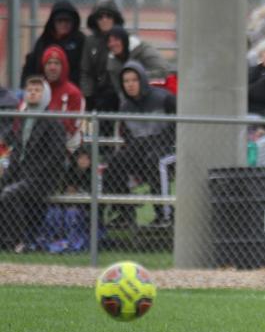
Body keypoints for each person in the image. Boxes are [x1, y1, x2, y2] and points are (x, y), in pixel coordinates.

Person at [103, 61, 176, 228]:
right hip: (144, 151)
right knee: (116, 162)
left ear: (142, 79)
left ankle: (166, 216)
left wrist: (157, 142)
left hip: (171, 149)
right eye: (126, 81)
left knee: (156, 160)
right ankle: (124, 213)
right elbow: (129, 139)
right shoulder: (126, 108)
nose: (130, 84)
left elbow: (178, 128)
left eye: (134, 80)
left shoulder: (164, 98)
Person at [0, 76, 65, 251]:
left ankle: (18, 242)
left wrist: (34, 174)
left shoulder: (52, 121)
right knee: (4, 187)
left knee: (9, 194)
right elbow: (17, 153)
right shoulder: (23, 118)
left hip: (42, 179)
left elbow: (56, 155)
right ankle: (5, 240)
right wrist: (6, 176)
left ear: (45, 94)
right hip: (23, 176)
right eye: (30, 90)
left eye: (37, 90)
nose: (33, 93)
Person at [21, 0, 86, 88]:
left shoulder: (80, 40)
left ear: (73, 22)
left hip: (72, 88)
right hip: (44, 88)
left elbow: (85, 70)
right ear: (53, 22)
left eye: (67, 21)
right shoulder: (44, 40)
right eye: (59, 21)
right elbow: (31, 67)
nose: (63, 24)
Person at [80, 0, 125, 113]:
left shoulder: (124, 40)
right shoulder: (90, 42)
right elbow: (86, 71)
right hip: (98, 95)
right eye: (100, 17)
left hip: (121, 93)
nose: (104, 20)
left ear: (115, 18)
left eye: (109, 16)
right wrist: (88, 96)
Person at [42, 45, 85, 153]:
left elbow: (72, 127)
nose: (52, 67)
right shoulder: (38, 89)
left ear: (63, 66)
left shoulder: (74, 93)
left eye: (56, 63)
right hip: (38, 149)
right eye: (49, 63)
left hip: (65, 149)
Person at [106, 26, 170, 99]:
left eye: (116, 40)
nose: (112, 44)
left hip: (156, 91)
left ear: (124, 40)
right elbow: (119, 89)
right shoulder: (112, 62)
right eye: (109, 41)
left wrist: (137, 77)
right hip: (130, 98)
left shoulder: (143, 50)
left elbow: (163, 70)